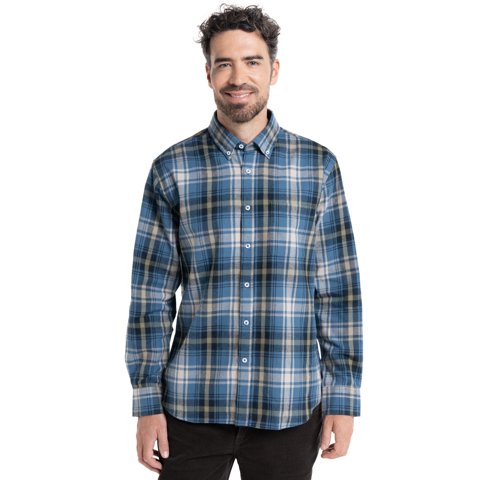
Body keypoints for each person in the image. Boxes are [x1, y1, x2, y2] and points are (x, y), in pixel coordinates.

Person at [125, 4, 363, 479]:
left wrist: (343, 397)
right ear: (208, 74)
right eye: (224, 63)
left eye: (252, 61)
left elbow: (338, 292)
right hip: (191, 406)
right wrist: (146, 402)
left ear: (273, 69)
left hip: (289, 406)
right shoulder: (172, 169)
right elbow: (151, 296)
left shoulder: (318, 167)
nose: (238, 77)